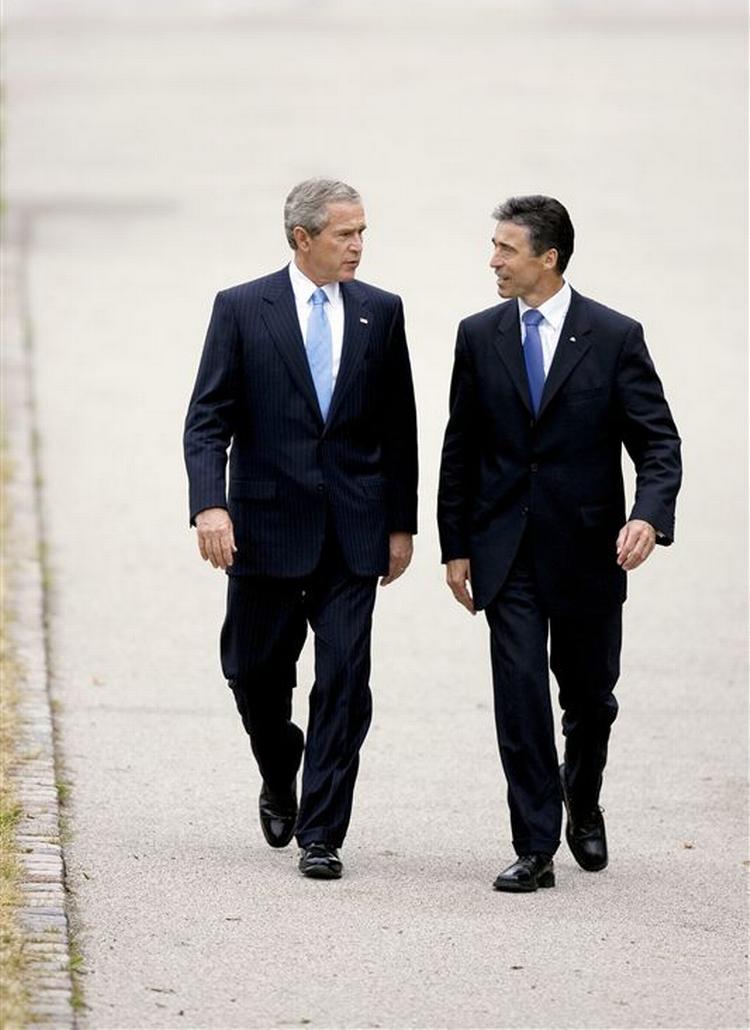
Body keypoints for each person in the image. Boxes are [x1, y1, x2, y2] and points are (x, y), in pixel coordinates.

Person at [438, 195, 681, 893]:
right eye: (494, 247)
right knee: (518, 694)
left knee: (590, 699)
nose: (493, 261)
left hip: (588, 550)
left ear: (549, 258)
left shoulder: (614, 335)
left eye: (506, 249)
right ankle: (535, 845)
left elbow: (658, 443)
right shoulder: (478, 335)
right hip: (505, 549)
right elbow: (462, 447)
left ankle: (585, 793)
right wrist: (457, 545)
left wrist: (648, 517)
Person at [184, 179, 418, 880]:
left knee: (345, 681)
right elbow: (207, 419)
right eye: (345, 235)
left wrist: (401, 525)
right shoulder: (241, 309)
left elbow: (398, 427)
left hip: (353, 533)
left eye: (363, 232)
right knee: (254, 674)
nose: (358, 247)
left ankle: (323, 834)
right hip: (262, 529)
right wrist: (209, 505)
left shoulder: (381, 311)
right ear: (301, 239)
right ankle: (280, 763)